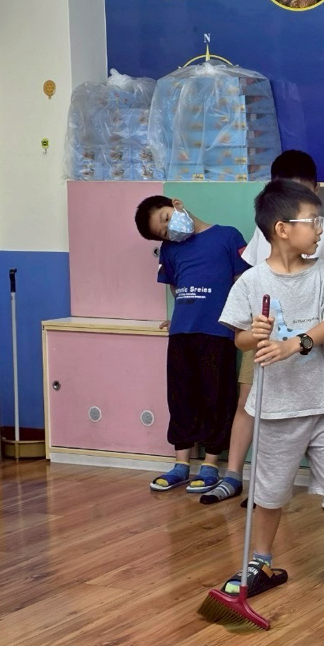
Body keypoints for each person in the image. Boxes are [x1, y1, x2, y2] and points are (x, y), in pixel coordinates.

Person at [217, 179, 324, 615]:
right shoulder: (251, 281)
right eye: (312, 221)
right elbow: (238, 339)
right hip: (274, 412)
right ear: (282, 228)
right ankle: (260, 563)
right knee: (268, 494)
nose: (320, 229)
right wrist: (253, 335)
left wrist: (295, 344)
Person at [201, 149, 324, 504]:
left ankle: (300, 487)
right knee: (249, 401)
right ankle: (235, 474)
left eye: (299, 189)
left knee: (311, 414)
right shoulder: (270, 227)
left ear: (316, 189)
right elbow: (250, 273)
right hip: (265, 332)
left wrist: (307, 337)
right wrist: (252, 325)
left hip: (307, 336)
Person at [134, 195, 249, 493]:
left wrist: (240, 321)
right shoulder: (170, 249)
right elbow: (176, 286)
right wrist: (181, 314)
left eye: (165, 219)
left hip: (218, 332)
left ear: (176, 205)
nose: (168, 230)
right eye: (162, 232)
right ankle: (181, 464)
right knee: (180, 397)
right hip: (182, 333)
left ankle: (211, 464)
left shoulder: (227, 236)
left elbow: (242, 282)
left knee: (216, 397)